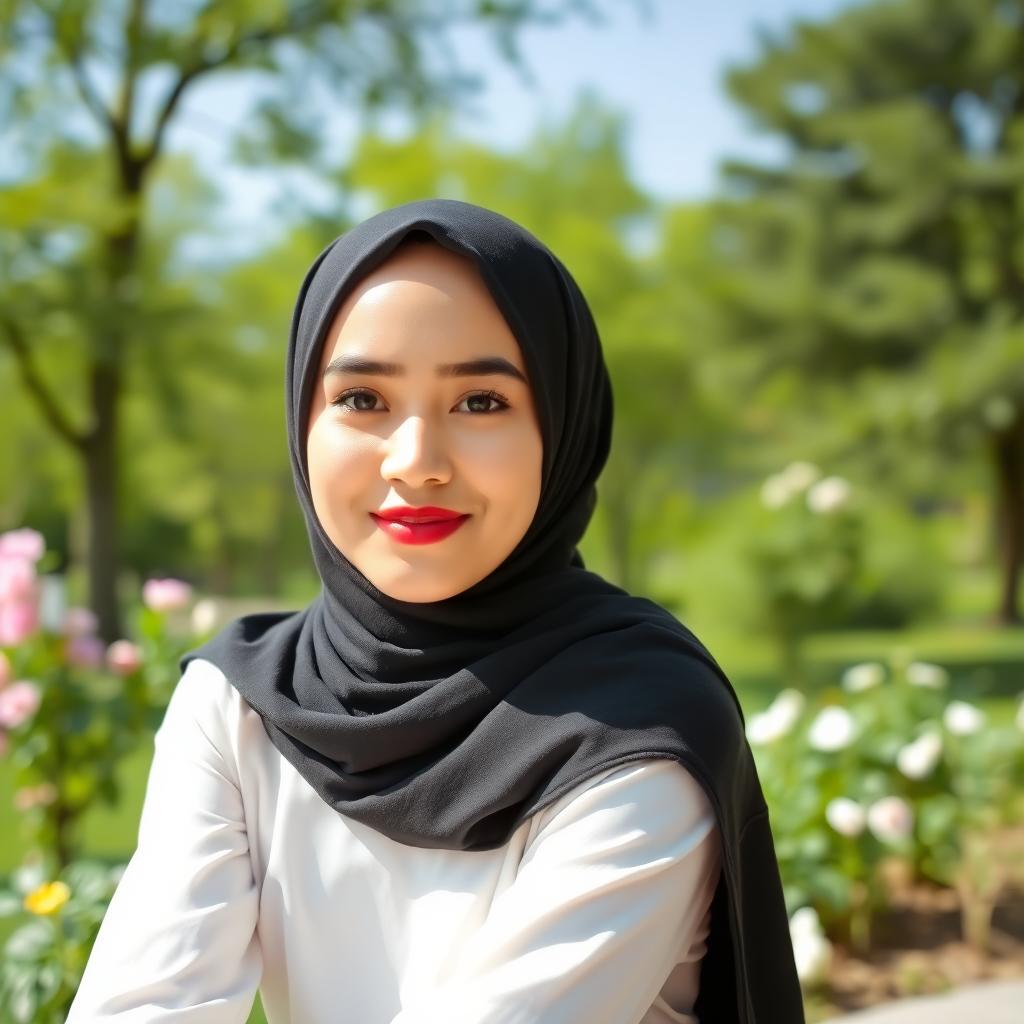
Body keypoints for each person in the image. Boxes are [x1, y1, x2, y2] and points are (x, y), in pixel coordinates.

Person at [67, 199, 804, 1023]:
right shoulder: (241, 698)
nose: (415, 462)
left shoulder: (639, 727)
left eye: (481, 401)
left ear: (562, 431)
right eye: (362, 400)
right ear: (303, 422)